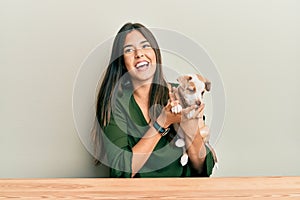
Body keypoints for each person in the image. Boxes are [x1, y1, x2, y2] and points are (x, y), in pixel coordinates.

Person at [93, 22, 216, 178]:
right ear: (122, 62)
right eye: (129, 50)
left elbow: (201, 169)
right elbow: (121, 171)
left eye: (145, 46)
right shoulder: (114, 104)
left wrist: (189, 124)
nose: (139, 54)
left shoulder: (181, 93)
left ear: (155, 54)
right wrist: (162, 122)